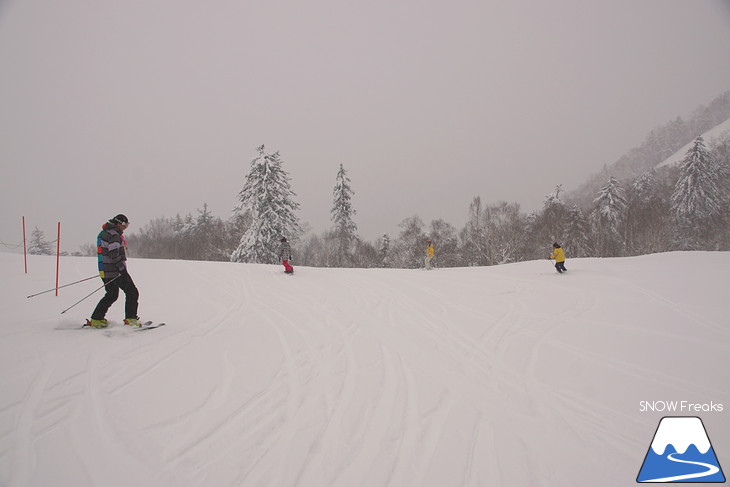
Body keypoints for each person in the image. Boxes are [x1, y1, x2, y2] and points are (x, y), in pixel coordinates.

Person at [88, 214, 142, 327]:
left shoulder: (105, 233)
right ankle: (131, 318)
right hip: (115, 270)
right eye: (125, 225)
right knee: (132, 292)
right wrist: (121, 269)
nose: (125, 228)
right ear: (118, 223)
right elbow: (114, 254)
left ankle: (97, 318)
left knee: (111, 294)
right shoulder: (114, 235)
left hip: (105, 270)